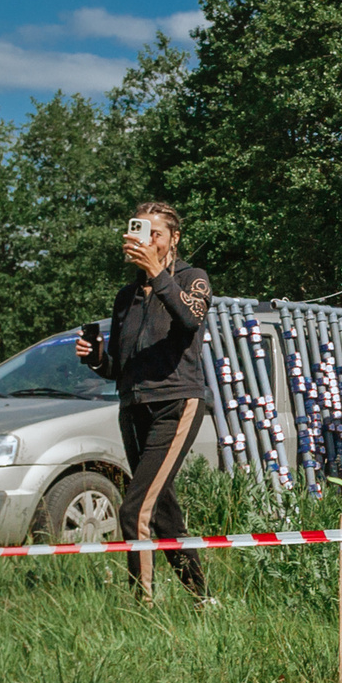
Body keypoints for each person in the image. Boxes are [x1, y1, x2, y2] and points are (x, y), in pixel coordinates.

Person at [76, 202, 214, 604]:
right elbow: (119, 368)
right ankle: (202, 598)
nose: (147, 241)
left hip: (176, 401)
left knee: (133, 509)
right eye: (141, 232)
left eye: (155, 234)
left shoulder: (194, 279)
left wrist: (157, 271)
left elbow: (191, 319)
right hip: (133, 406)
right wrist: (96, 357)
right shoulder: (127, 296)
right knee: (161, 507)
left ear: (174, 238)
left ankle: (142, 605)